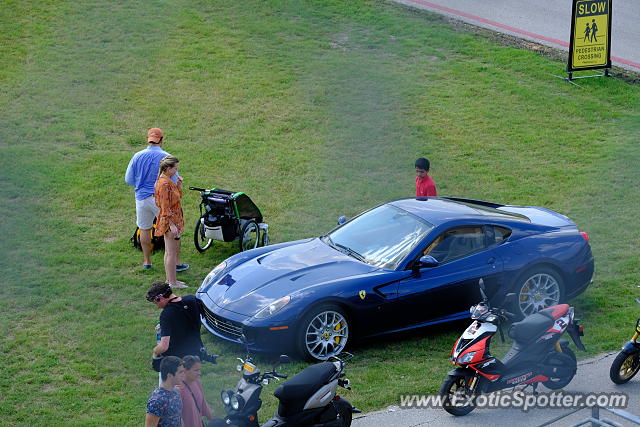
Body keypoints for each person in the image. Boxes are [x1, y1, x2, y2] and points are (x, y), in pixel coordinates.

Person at [125, 128, 189, 273]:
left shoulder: (137, 156)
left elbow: (128, 179)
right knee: (172, 230)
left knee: (144, 229)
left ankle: (147, 262)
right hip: (161, 200)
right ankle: (176, 263)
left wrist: (141, 186)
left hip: (141, 199)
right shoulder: (166, 157)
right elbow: (173, 179)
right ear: (161, 140)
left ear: (148, 139)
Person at [147, 281, 204, 363]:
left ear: (160, 298)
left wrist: (155, 351)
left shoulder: (166, 314)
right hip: (197, 351)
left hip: (177, 359)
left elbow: (164, 347)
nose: (158, 306)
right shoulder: (192, 299)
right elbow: (187, 318)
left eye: (156, 303)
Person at [155, 155, 187, 288]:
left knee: (169, 252)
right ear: (168, 168)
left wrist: (178, 186)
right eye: (175, 168)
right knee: (171, 253)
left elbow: (176, 198)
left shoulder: (168, 181)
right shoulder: (164, 184)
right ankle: (173, 282)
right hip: (170, 222)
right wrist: (172, 225)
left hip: (173, 220)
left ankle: (170, 280)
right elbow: (164, 206)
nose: (176, 171)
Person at [145, 356, 185, 427]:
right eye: (180, 372)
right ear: (169, 375)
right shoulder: (156, 401)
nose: (183, 375)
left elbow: (178, 418)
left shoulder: (176, 392)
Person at [178, 355, 214, 427]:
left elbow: (204, 405)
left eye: (199, 370)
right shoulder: (178, 390)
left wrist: (213, 421)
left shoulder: (196, 382)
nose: (199, 373)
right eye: (196, 370)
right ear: (185, 370)